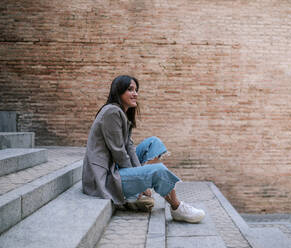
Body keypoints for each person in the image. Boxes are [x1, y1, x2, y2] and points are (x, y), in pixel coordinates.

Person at [82, 75, 205, 223]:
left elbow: (129, 148)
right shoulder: (112, 112)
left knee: (154, 143)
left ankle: (141, 186)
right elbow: (119, 153)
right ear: (118, 91)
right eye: (130, 90)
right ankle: (176, 207)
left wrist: (139, 174)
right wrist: (141, 179)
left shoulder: (121, 112)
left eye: (136, 90)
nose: (135, 94)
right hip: (103, 177)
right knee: (158, 170)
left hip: (114, 168)